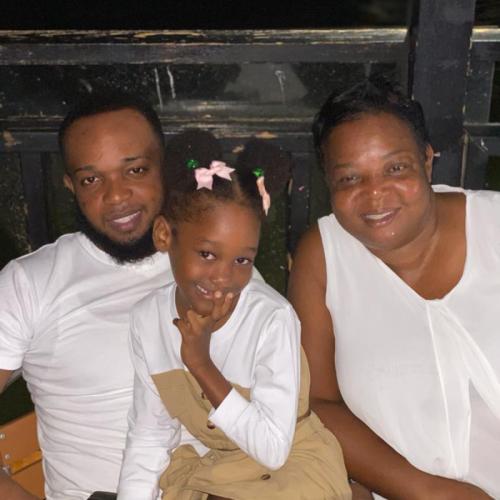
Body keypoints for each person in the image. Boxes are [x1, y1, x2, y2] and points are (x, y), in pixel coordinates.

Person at [287, 78, 500, 499]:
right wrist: (430, 492)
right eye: (350, 178)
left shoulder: (494, 228)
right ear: (329, 182)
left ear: (426, 159)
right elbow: (316, 403)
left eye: (395, 168)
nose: (375, 194)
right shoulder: (324, 257)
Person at [117, 131, 351, 500]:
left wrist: (201, 364)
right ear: (164, 235)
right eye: (207, 254)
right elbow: (150, 434)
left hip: (292, 469)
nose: (223, 277)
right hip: (221, 470)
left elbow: (272, 450)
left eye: (242, 260)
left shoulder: (271, 319)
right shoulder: (147, 321)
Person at [0, 90, 173, 500]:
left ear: (163, 167)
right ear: (71, 186)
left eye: (135, 170)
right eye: (92, 179)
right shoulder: (32, 283)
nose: (116, 196)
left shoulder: (218, 261)